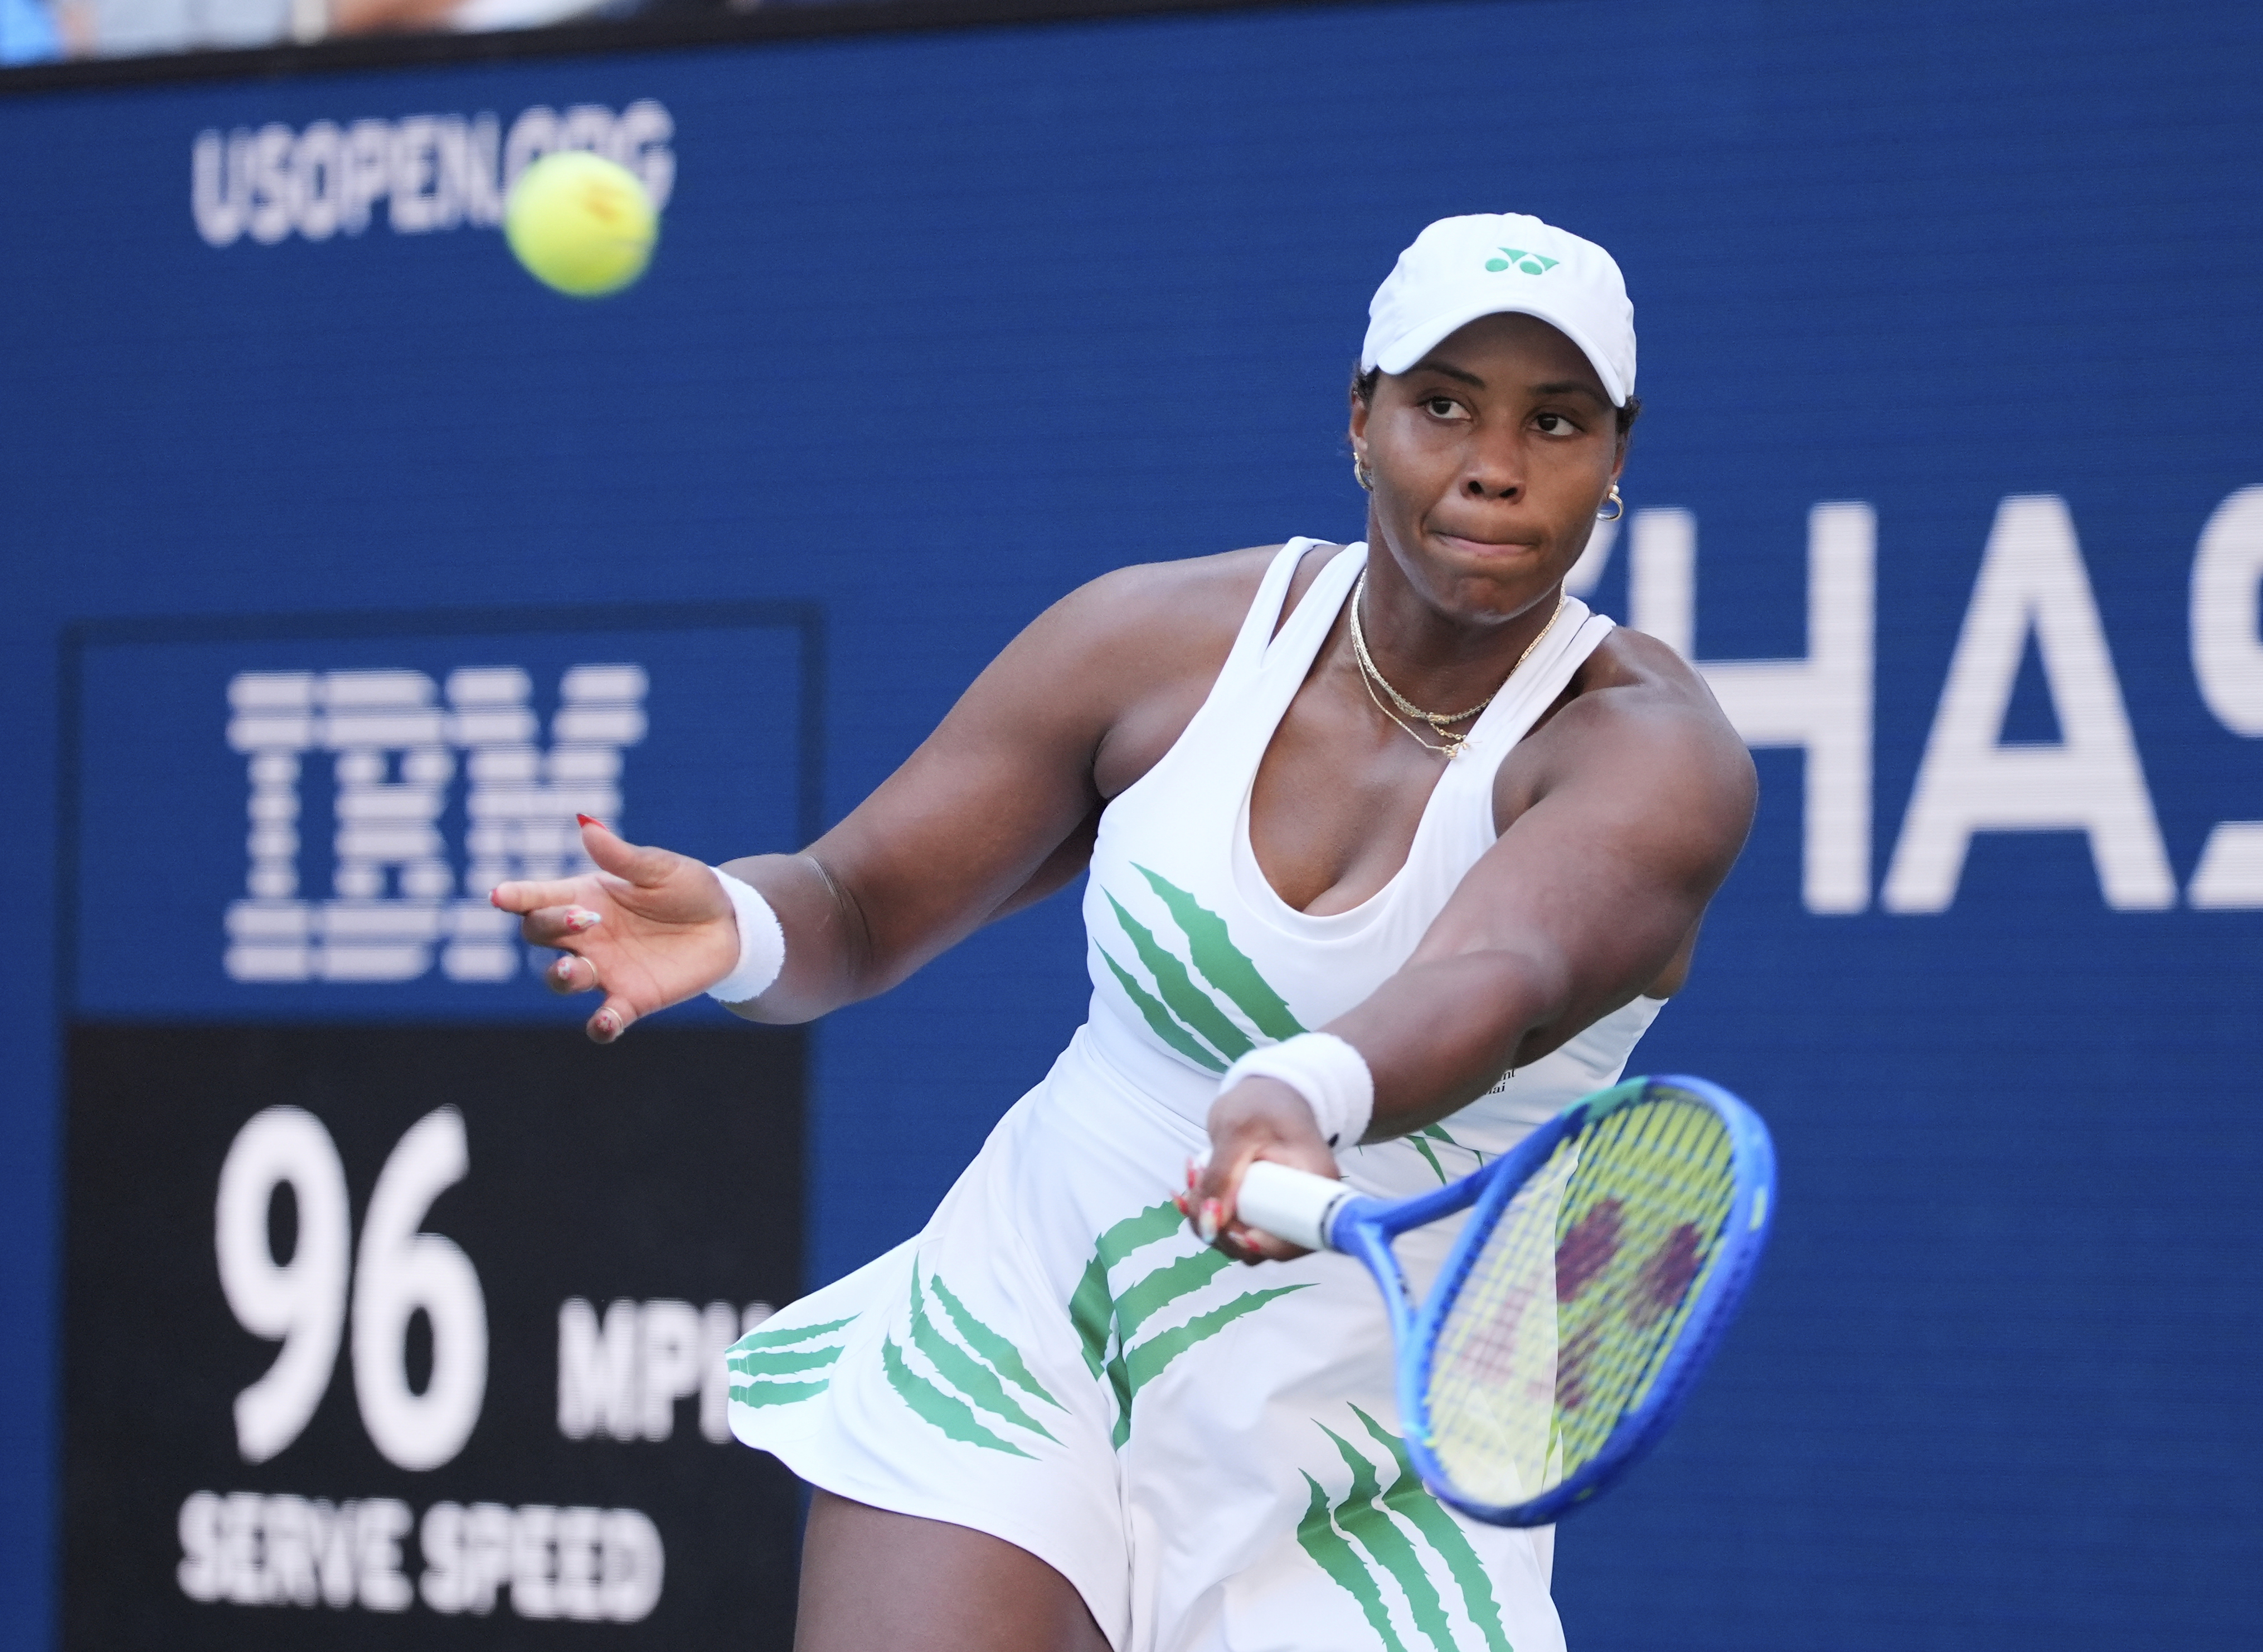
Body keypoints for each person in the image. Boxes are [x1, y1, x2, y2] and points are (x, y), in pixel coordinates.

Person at [493, 212, 1756, 1652]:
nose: (1493, 461)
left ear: (1616, 458)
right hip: (1040, 1311)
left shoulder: (1655, 756)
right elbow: (856, 903)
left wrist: (1300, 1094)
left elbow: (1501, 969)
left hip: (1372, 1447)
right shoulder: (1154, 643)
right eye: (1444, 403)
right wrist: (740, 925)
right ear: (1361, 418)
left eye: (1557, 419)